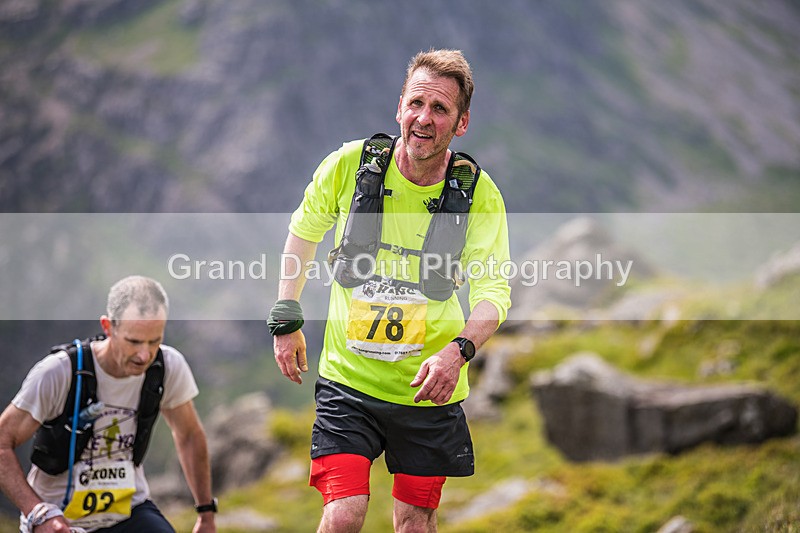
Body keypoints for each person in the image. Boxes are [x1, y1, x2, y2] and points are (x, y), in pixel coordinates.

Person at [269, 49, 511, 532]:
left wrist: (457, 353)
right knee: (343, 515)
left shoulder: (478, 196)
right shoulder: (350, 166)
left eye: (440, 109)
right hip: (348, 381)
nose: (424, 118)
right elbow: (304, 232)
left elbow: (494, 294)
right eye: (416, 102)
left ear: (461, 123)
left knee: (414, 523)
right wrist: (286, 316)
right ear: (398, 105)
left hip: (427, 392)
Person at [0, 276, 217, 533]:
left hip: (128, 513)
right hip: (57, 518)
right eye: (134, 341)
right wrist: (37, 512)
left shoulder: (167, 366)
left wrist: (206, 514)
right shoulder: (59, 372)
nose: (144, 355)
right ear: (108, 327)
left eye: (154, 340)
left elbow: (190, 435)